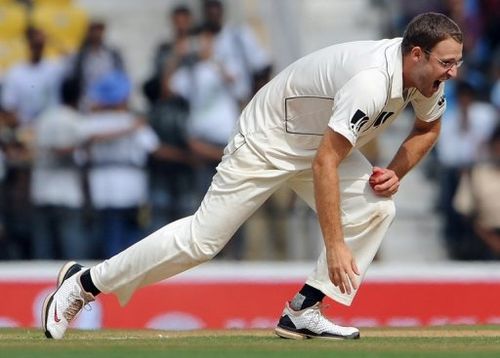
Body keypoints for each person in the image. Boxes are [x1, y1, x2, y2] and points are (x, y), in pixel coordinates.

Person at [42, 12, 463, 340]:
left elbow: (428, 128)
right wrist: (334, 245)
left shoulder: (427, 77)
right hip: (269, 137)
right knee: (201, 241)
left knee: (376, 208)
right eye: (447, 63)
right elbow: (325, 163)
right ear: (416, 55)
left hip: (318, 140)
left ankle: (304, 310)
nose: (453, 73)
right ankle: (84, 283)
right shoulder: (371, 81)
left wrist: (394, 171)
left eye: (456, 63)